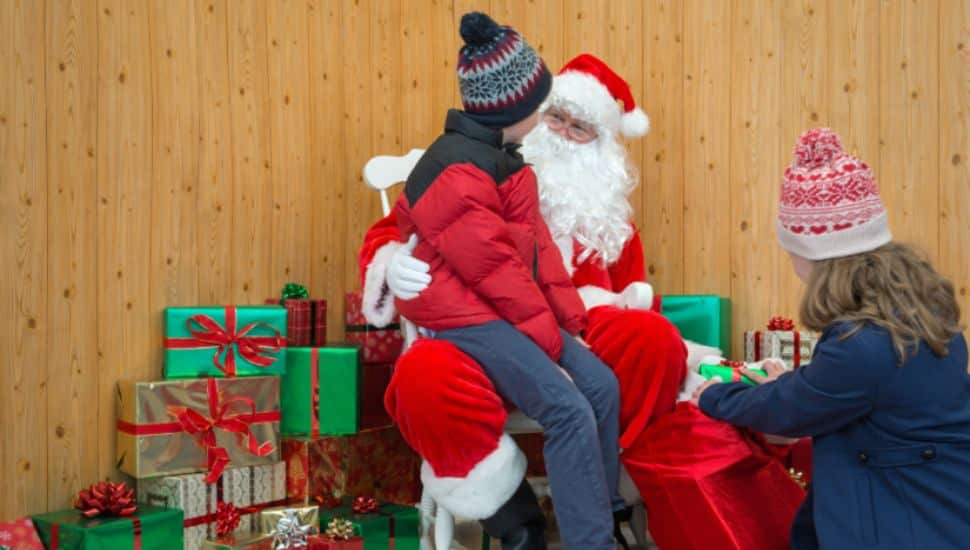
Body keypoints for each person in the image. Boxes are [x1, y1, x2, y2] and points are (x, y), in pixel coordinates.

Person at [388, 13, 622, 550]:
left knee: (601, 386)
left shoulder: (505, 161)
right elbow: (495, 276)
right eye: (540, 107)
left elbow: (537, 257)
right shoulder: (457, 172)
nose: (544, 117)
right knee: (566, 410)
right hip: (463, 315)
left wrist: (571, 329)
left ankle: (604, 514)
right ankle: (593, 543)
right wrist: (549, 355)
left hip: (503, 309)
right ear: (512, 111)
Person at [693, 128, 970, 549]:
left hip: (902, 521)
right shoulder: (917, 313)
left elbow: (792, 409)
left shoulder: (861, 345)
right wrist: (790, 385)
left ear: (815, 255)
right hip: (937, 505)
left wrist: (713, 395)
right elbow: (836, 393)